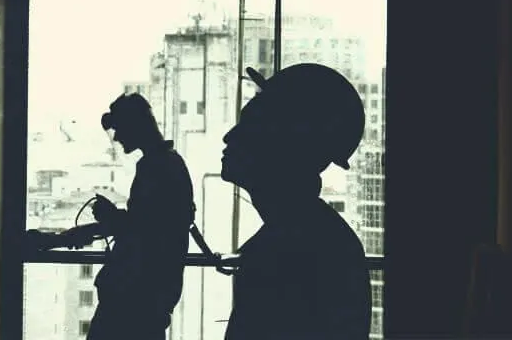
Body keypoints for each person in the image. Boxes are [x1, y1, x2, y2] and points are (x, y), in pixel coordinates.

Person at [221, 64, 372, 340]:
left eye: (250, 126)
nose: (229, 137)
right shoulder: (318, 240)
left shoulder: (286, 253)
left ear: (283, 144)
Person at [86, 93, 195, 340]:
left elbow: (148, 234)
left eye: (119, 128)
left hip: (133, 299)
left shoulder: (157, 167)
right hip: (146, 300)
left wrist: (112, 218)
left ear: (134, 126)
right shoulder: (167, 164)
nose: (117, 137)